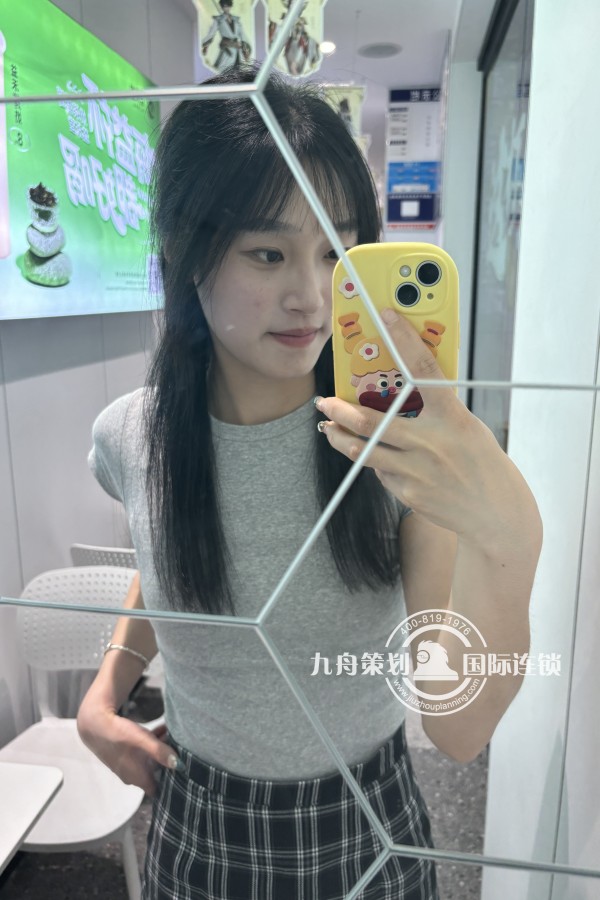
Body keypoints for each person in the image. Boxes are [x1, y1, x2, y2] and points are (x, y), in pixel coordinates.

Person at [77, 64, 543, 900]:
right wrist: (101, 696)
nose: (312, 296)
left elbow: (460, 729)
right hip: (198, 821)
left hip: (365, 823)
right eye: (268, 253)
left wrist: (511, 539)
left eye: (337, 252)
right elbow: (169, 555)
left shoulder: (391, 447)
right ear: (184, 252)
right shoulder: (129, 436)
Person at [201, 0, 251, 73]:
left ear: (230, 6)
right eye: (224, 6)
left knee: (239, 72)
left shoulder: (236, 20)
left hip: (237, 51)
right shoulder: (218, 20)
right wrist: (206, 45)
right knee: (224, 71)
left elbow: (242, 34)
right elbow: (211, 33)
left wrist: (245, 48)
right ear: (222, 7)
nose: (226, 8)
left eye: (228, 6)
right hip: (227, 51)